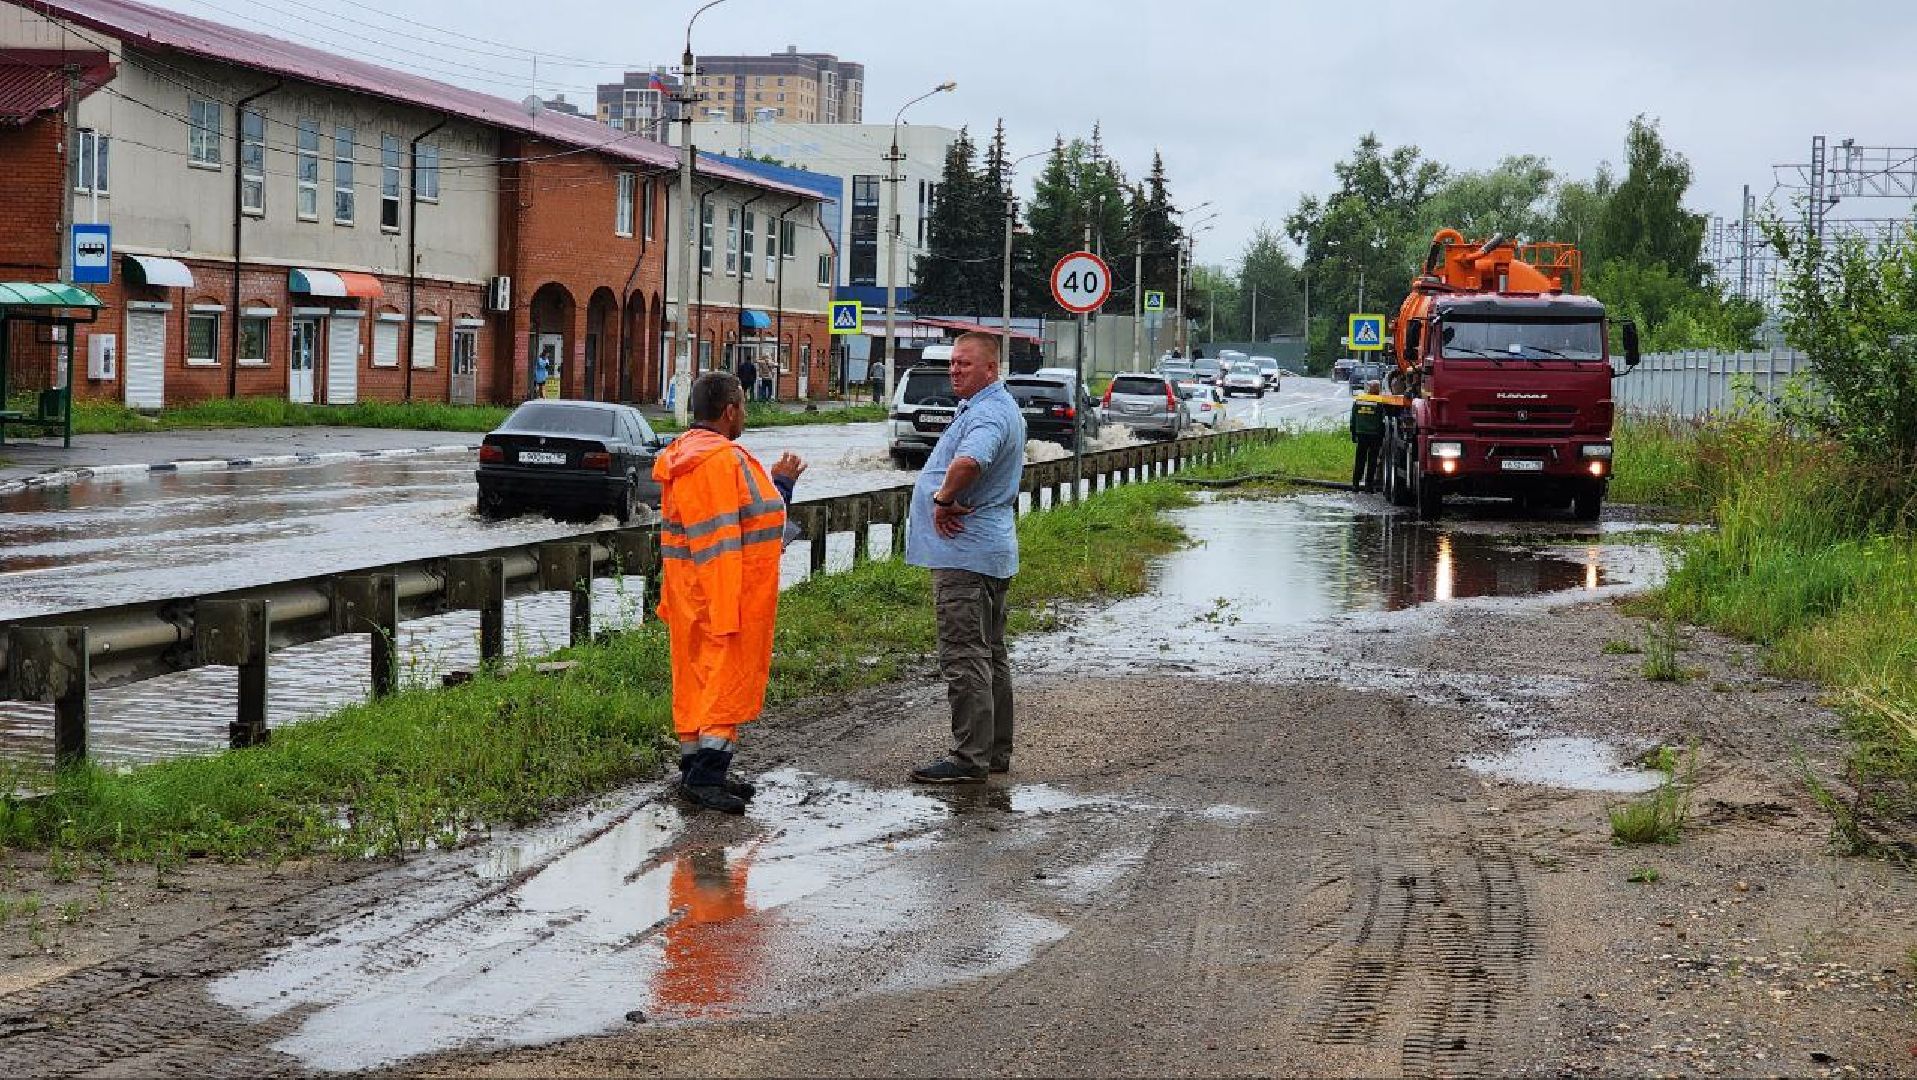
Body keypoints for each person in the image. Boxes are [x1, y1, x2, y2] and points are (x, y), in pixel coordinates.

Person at [654, 371, 806, 813]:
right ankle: (706, 778)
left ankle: (695, 767)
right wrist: (783, 485)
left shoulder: (679, 458)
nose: (745, 413)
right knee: (723, 682)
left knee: (694, 679)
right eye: (743, 404)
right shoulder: (727, 460)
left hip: (687, 591)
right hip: (727, 593)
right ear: (730, 411)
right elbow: (762, 523)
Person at [904, 332, 1026, 784]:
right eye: (953, 363)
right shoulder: (990, 406)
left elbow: (972, 460)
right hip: (986, 550)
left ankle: (969, 756)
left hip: (965, 555)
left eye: (965, 364)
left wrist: (942, 498)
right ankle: (992, 751)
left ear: (991, 369)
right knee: (990, 654)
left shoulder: (990, 413)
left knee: (964, 655)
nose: (955, 370)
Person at [1350, 378, 1388, 492]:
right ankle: (1368, 486)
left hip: (1361, 434)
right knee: (1372, 461)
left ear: (1368, 389)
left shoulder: (1359, 399)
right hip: (1375, 435)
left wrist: (1353, 432)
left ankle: (1355, 484)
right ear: (1378, 390)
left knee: (1359, 460)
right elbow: (1383, 420)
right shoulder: (1380, 401)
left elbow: (1353, 418)